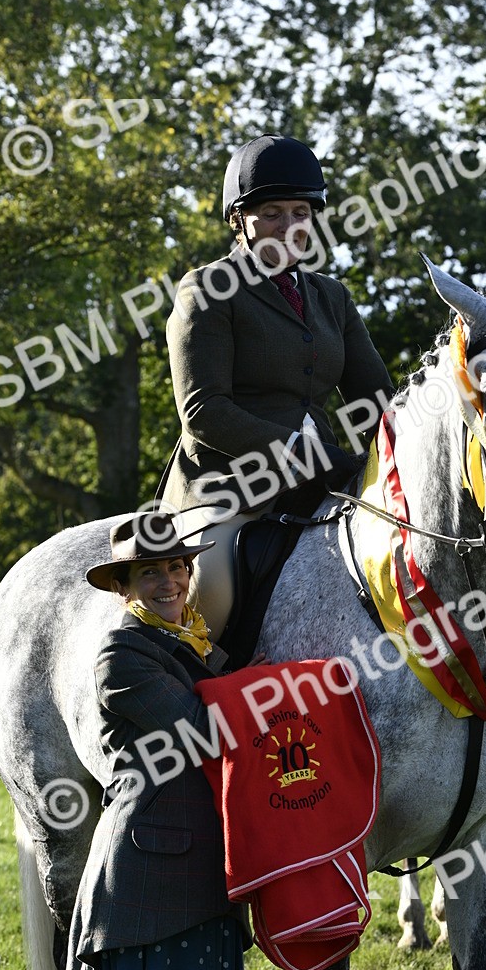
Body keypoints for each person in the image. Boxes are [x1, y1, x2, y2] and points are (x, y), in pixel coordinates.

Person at [159, 134, 394, 637]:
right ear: (238, 220)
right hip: (229, 485)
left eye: (300, 213)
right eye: (271, 213)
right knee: (213, 590)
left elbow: (376, 400)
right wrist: (300, 451)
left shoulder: (331, 297)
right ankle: (190, 678)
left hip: (325, 485)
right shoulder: (207, 290)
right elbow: (202, 411)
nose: (289, 227)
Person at [65, 512, 252, 970]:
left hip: (198, 877)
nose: (169, 581)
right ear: (123, 586)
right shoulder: (121, 655)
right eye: (150, 572)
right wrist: (286, 693)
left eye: (176, 566)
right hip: (145, 876)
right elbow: (205, 730)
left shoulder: (191, 642)